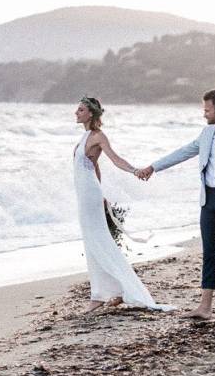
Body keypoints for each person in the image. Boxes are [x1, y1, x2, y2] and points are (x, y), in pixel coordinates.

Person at [138, 89, 215, 319]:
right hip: (209, 200)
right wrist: (153, 167)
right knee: (209, 252)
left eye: (207, 110)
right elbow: (183, 153)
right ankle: (205, 307)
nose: (204, 114)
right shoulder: (206, 134)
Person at [73, 96, 174, 314]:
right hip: (87, 194)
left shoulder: (99, 136)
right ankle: (103, 292)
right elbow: (93, 166)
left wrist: (135, 170)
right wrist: (101, 193)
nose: (76, 113)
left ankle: (101, 294)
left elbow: (115, 159)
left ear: (90, 113)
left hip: (88, 195)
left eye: (80, 110)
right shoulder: (85, 136)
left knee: (98, 241)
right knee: (92, 242)